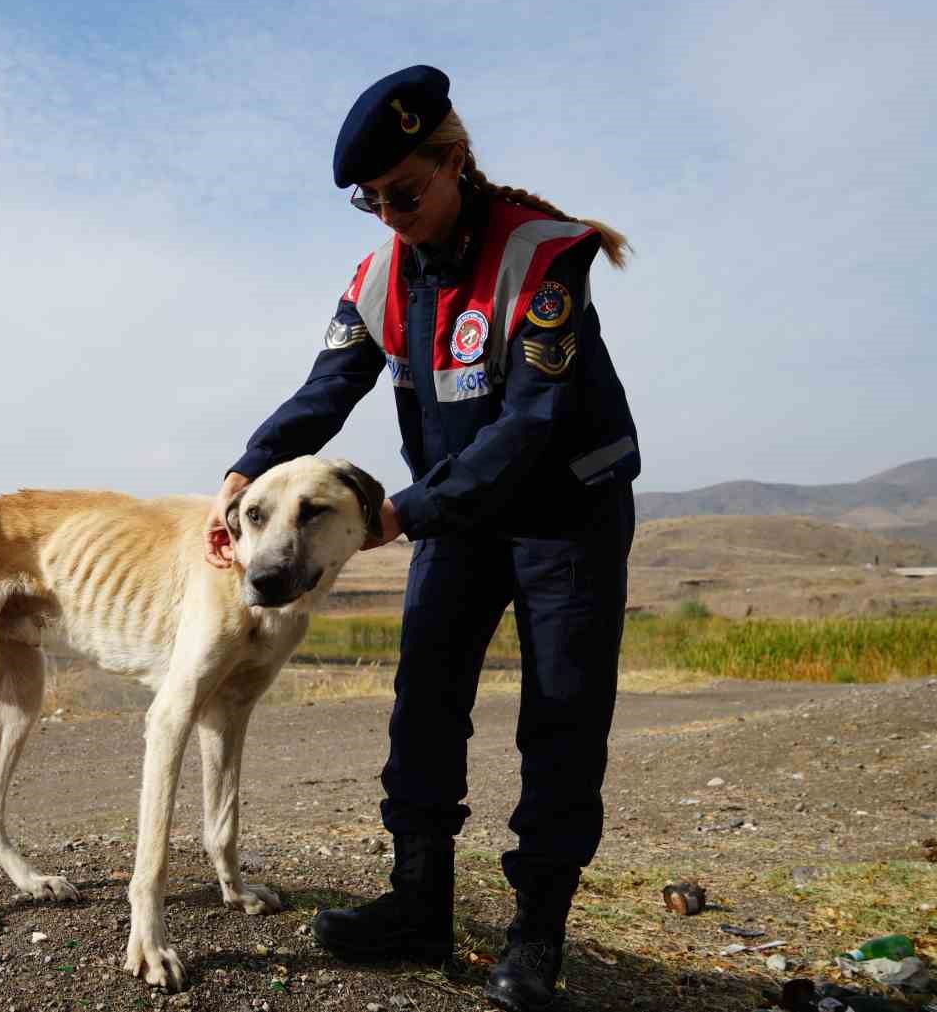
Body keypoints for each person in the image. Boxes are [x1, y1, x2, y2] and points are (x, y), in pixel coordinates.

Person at [202, 65, 640, 1011]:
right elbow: (326, 391)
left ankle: (536, 935)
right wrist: (244, 473)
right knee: (425, 705)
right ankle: (419, 906)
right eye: (372, 201)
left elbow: (530, 425)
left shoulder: (542, 254)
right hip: (459, 513)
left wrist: (401, 512)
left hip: (565, 512)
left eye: (404, 192)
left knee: (562, 717)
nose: (391, 215)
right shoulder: (379, 278)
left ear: (454, 160)